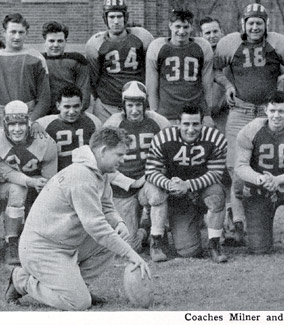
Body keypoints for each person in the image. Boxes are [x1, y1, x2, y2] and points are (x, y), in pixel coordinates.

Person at [4, 127, 151, 310]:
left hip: (64, 244)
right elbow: (96, 227)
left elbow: (106, 204)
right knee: (79, 303)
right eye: (119, 155)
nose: (122, 160)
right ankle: (22, 281)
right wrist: (131, 254)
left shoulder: (100, 172)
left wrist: (118, 222)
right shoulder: (81, 175)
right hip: (42, 249)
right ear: (103, 151)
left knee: (115, 237)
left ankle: (78, 286)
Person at [214, 3, 284, 246]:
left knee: (265, 164)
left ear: (265, 24)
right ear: (243, 24)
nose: (255, 26)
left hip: (268, 113)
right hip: (240, 111)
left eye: (259, 22)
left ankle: (263, 220)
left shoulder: (278, 44)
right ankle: (238, 223)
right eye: (251, 22)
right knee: (236, 166)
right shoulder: (230, 44)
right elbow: (215, 70)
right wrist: (228, 86)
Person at [235, 90, 284, 261]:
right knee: (259, 248)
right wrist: (261, 179)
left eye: (281, 111)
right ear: (265, 110)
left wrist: (278, 179)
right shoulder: (250, 130)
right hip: (260, 186)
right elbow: (240, 167)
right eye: (272, 111)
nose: (276, 116)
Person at [145, 105, 228, 263]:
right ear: (178, 123)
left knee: (216, 195)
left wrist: (188, 185)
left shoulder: (215, 139)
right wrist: (171, 185)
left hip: (198, 190)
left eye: (195, 124)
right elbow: (151, 172)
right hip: (169, 191)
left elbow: (216, 173)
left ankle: (214, 244)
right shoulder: (163, 138)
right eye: (186, 124)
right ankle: (155, 240)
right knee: (155, 195)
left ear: (202, 123)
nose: (191, 129)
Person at [104, 81, 170, 254]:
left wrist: (154, 175)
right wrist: (130, 182)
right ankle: (144, 230)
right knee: (130, 247)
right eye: (130, 105)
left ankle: (157, 240)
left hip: (148, 180)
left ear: (145, 105)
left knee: (156, 195)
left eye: (138, 105)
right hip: (123, 188)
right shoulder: (113, 124)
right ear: (123, 106)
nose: (134, 110)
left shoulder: (158, 121)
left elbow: (170, 151)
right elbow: (102, 164)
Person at [0, 101, 58, 265]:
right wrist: (31, 181)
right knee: (18, 188)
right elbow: (7, 173)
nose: (17, 129)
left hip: (24, 187)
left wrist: (40, 186)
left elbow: (48, 182)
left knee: (20, 191)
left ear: (28, 123)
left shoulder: (45, 142)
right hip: (6, 183)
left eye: (21, 124)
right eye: (12, 124)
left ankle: (13, 240)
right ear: (5, 125)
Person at [86, 0, 153, 123]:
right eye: (111, 17)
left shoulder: (142, 37)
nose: (116, 21)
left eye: (119, 16)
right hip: (107, 104)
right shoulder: (95, 43)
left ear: (125, 17)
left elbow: (151, 71)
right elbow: (93, 77)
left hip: (136, 101)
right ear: (105, 18)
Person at [146, 9, 213, 126]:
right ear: (170, 25)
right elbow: (152, 86)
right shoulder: (157, 47)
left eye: (186, 27)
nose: (181, 31)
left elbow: (207, 84)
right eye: (177, 26)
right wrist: (154, 112)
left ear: (191, 27)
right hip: (167, 113)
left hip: (195, 113)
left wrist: (207, 113)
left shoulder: (202, 47)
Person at [37, 85, 101, 171]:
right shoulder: (43, 124)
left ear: (81, 105)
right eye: (67, 107)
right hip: (56, 175)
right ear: (58, 106)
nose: (71, 112)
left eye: (76, 106)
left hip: (86, 172)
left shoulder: (93, 121)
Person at [0, 13, 50, 123]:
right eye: (13, 32)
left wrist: (31, 121)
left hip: (28, 116)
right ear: (4, 33)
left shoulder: (36, 58)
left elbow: (44, 98)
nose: (17, 37)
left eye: (21, 32)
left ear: (26, 33)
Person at [42, 21, 91, 114]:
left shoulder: (76, 60)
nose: (56, 45)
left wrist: (72, 113)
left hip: (72, 113)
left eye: (60, 41)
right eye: (51, 41)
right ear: (45, 42)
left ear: (65, 42)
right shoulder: (38, 61)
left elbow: (84, 94)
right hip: (44, 114)